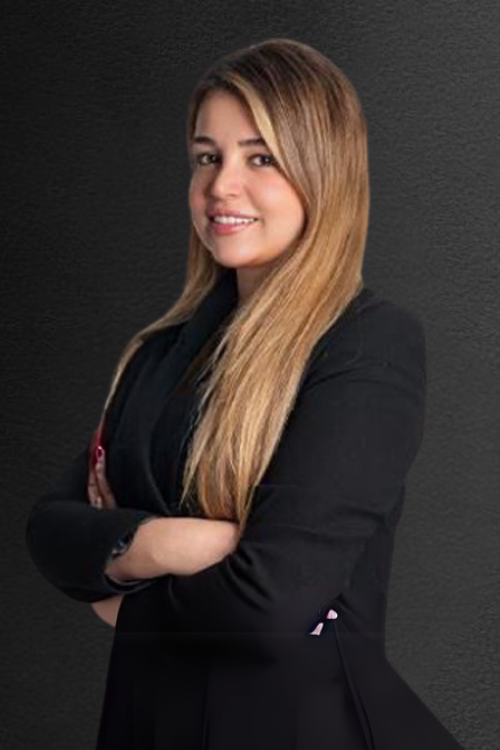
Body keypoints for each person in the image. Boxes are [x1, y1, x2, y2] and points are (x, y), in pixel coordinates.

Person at [25, 38, 466, 750]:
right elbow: (50, 529)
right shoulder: (159, 351)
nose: (221, 185)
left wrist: (121, 604)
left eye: (260, 158)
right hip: (146, 723)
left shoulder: (367, 343)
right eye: (207, 157)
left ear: (322, 171)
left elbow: (271, 604)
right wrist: (168, 543)